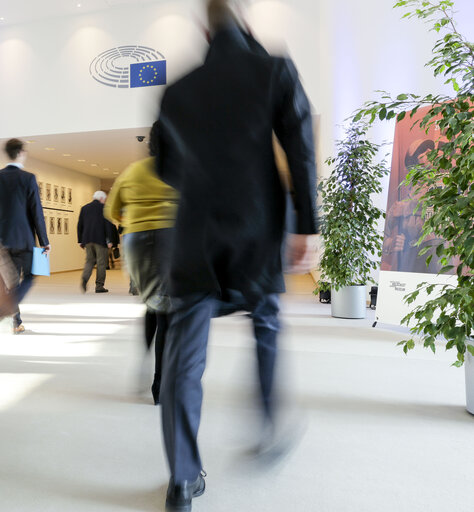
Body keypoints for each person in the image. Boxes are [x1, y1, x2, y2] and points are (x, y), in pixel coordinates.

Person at [154, 1, 318, 510]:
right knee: (266, 323)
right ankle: (269, 426)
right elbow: (301, 148)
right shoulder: (274, 69)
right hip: (258, 227)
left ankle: (183, 478)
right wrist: (307, 225)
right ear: (245, 23)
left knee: (185, 352)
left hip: (195, 234)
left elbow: (164, 164)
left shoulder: (176, 90)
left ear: (205, 29)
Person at [105, 123, 178, 405]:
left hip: (135, 242)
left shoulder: (133, 170)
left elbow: (111, 210)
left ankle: (143, 361)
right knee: (166, 312)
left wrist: (133, 223)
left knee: (152, 303)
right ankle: (160, 385)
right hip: (169, 239)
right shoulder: (182, 169)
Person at [0, 138, 50, 334]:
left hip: (2, 239)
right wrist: (45, 242)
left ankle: (16, 322)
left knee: (11, 282)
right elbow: (36, 212)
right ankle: (10, 306)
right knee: (31, 276)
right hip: (25, 239)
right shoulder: (29, 177)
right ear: (21, 153)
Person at [77, 190, 114, 293]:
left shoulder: (84, 208)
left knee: (89, 261)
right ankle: (99, 286)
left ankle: (85, 278)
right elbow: (108, 225)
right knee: (101, 263)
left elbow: (80, 225)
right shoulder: (105, 208)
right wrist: (109, 240)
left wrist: (80, 240)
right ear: (102, 198)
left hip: (87, 240)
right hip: (100, 240)